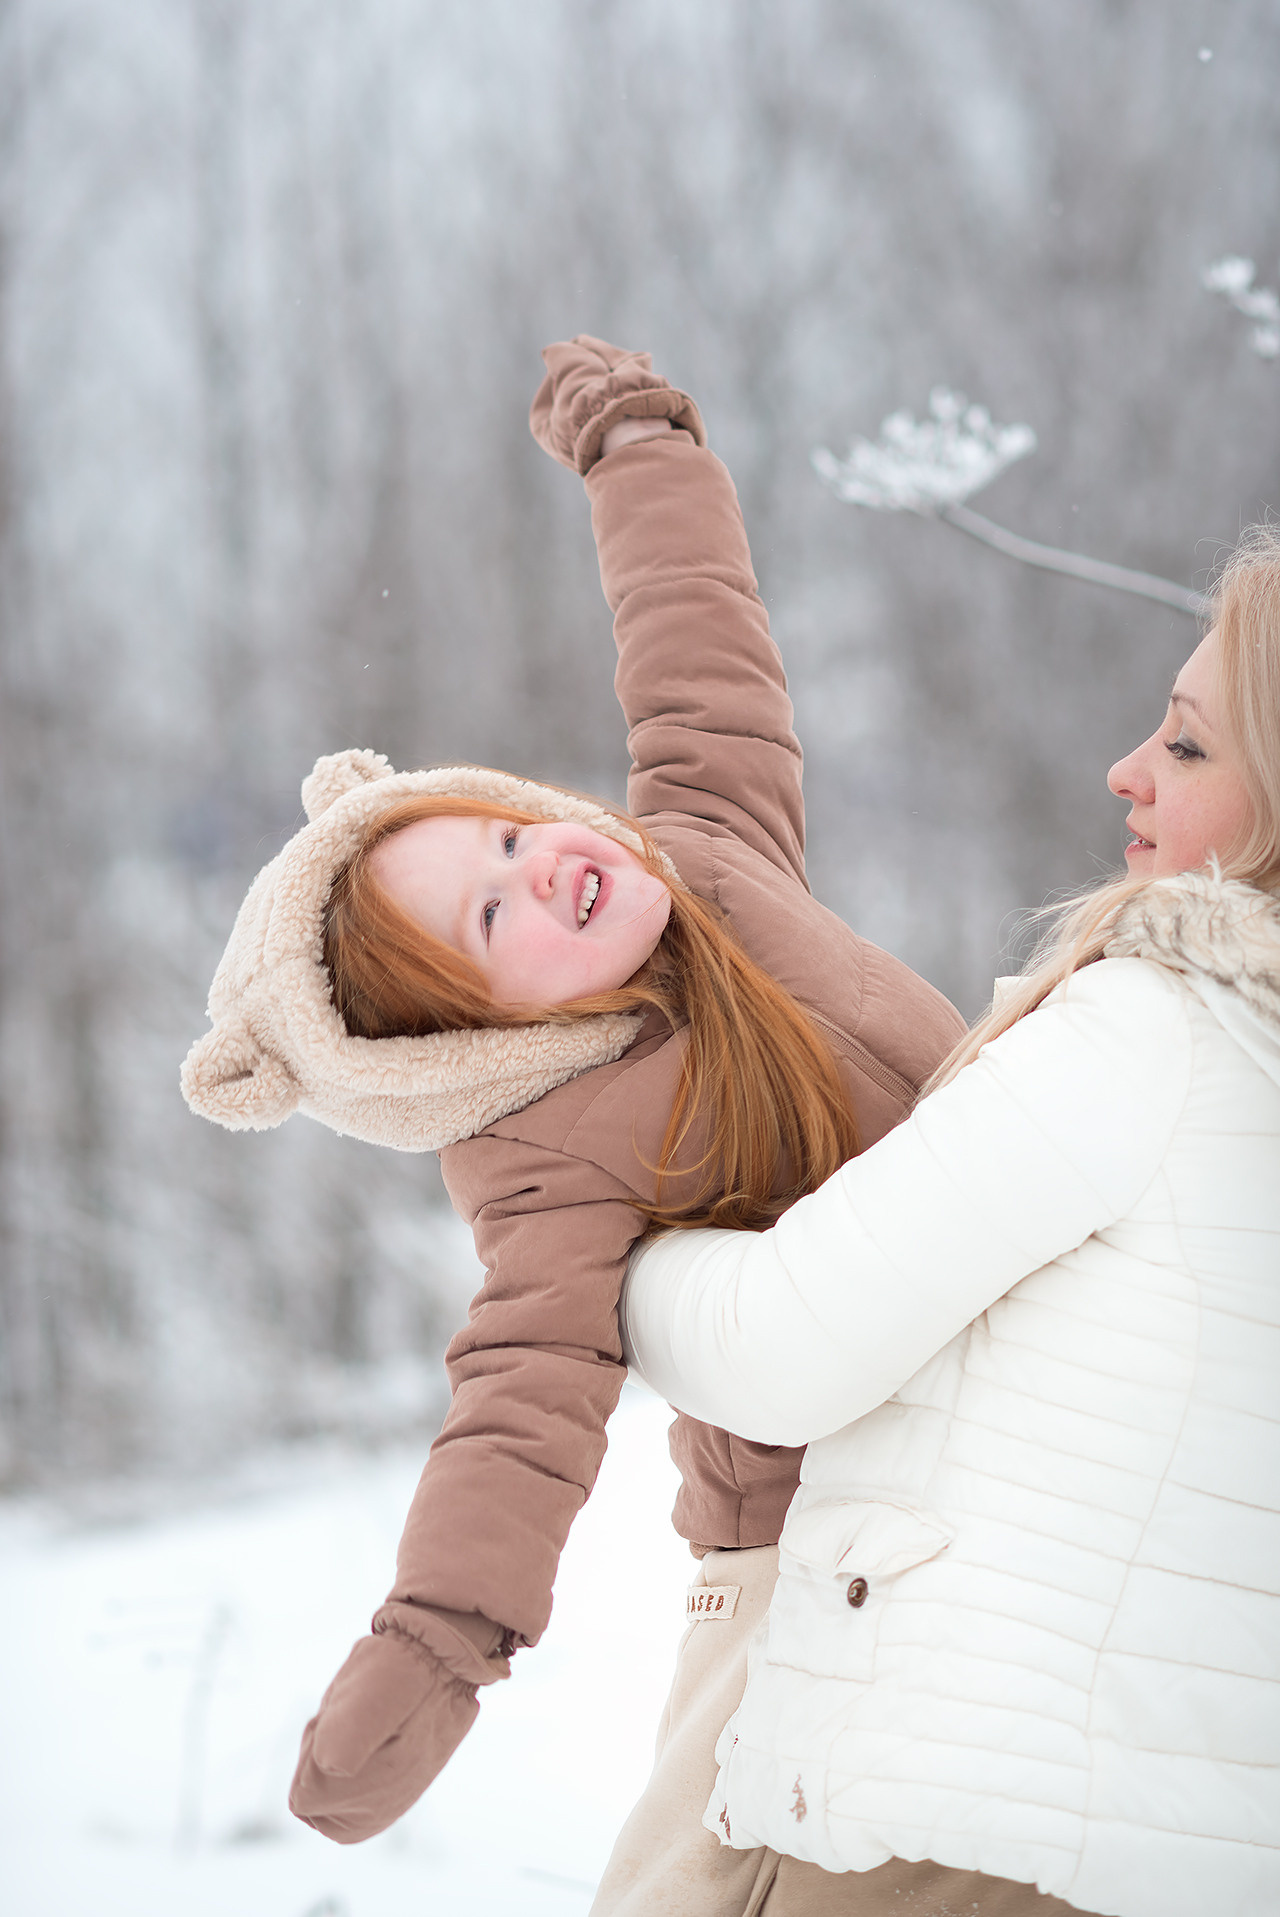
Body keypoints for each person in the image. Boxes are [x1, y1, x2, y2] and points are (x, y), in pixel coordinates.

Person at [180, 335, 970, 1912]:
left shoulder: (711, 848)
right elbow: (518, 1412)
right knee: (720, 1875)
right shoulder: (545, 1157)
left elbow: (698, 653)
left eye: (504, 829)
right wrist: (434, 1644)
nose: (540, 861)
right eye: (488, 917)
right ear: (474, 1040)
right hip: (808, 1554)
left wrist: (638, 449)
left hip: (995, 1454)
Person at [620, 526, 1280, 1917]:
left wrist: (612, 1253)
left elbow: (783, 1340)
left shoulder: (1152, 1030)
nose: (1129, 769)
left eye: (1189, 745)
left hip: (958, 1845)